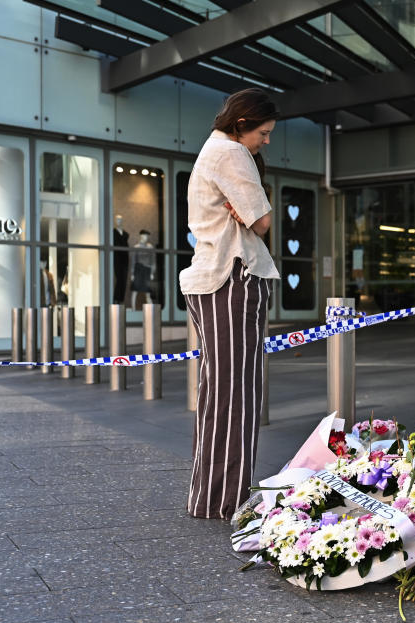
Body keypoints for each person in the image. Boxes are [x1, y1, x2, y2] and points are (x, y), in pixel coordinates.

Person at [178, 88, 280, 519]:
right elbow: (264, 221)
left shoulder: (213, 151)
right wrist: (254, 211)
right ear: (242, 125)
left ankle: (213, 498)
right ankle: (227, 501)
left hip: (215, 277)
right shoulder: (231, 154)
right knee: (236, 392)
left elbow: (253, 215)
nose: (267, 141)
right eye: (264, 132)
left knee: (221, 388)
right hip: (233, 277)